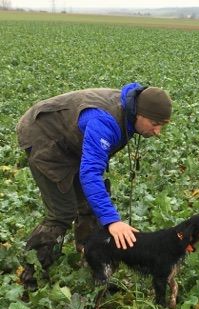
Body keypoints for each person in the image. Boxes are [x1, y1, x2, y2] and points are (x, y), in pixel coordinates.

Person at [16, 82, 172, 290]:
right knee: (61, 212)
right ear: (140, 114)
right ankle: (31, 275)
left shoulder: (131, 111)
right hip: (44, 136)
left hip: (72, 140)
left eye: (163, 124)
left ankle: (90, 259)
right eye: (154, 123)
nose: (158, 131)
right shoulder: (103, 122)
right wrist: (113, 221)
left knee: (91, 206)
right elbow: (90, 173)